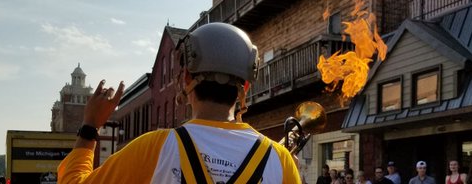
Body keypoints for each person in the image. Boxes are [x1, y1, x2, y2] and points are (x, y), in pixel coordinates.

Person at [57, 22, 300, 183]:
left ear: (185, 79)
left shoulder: (153, 149)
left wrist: (89, 127)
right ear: (246, 86)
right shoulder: (280, 160)